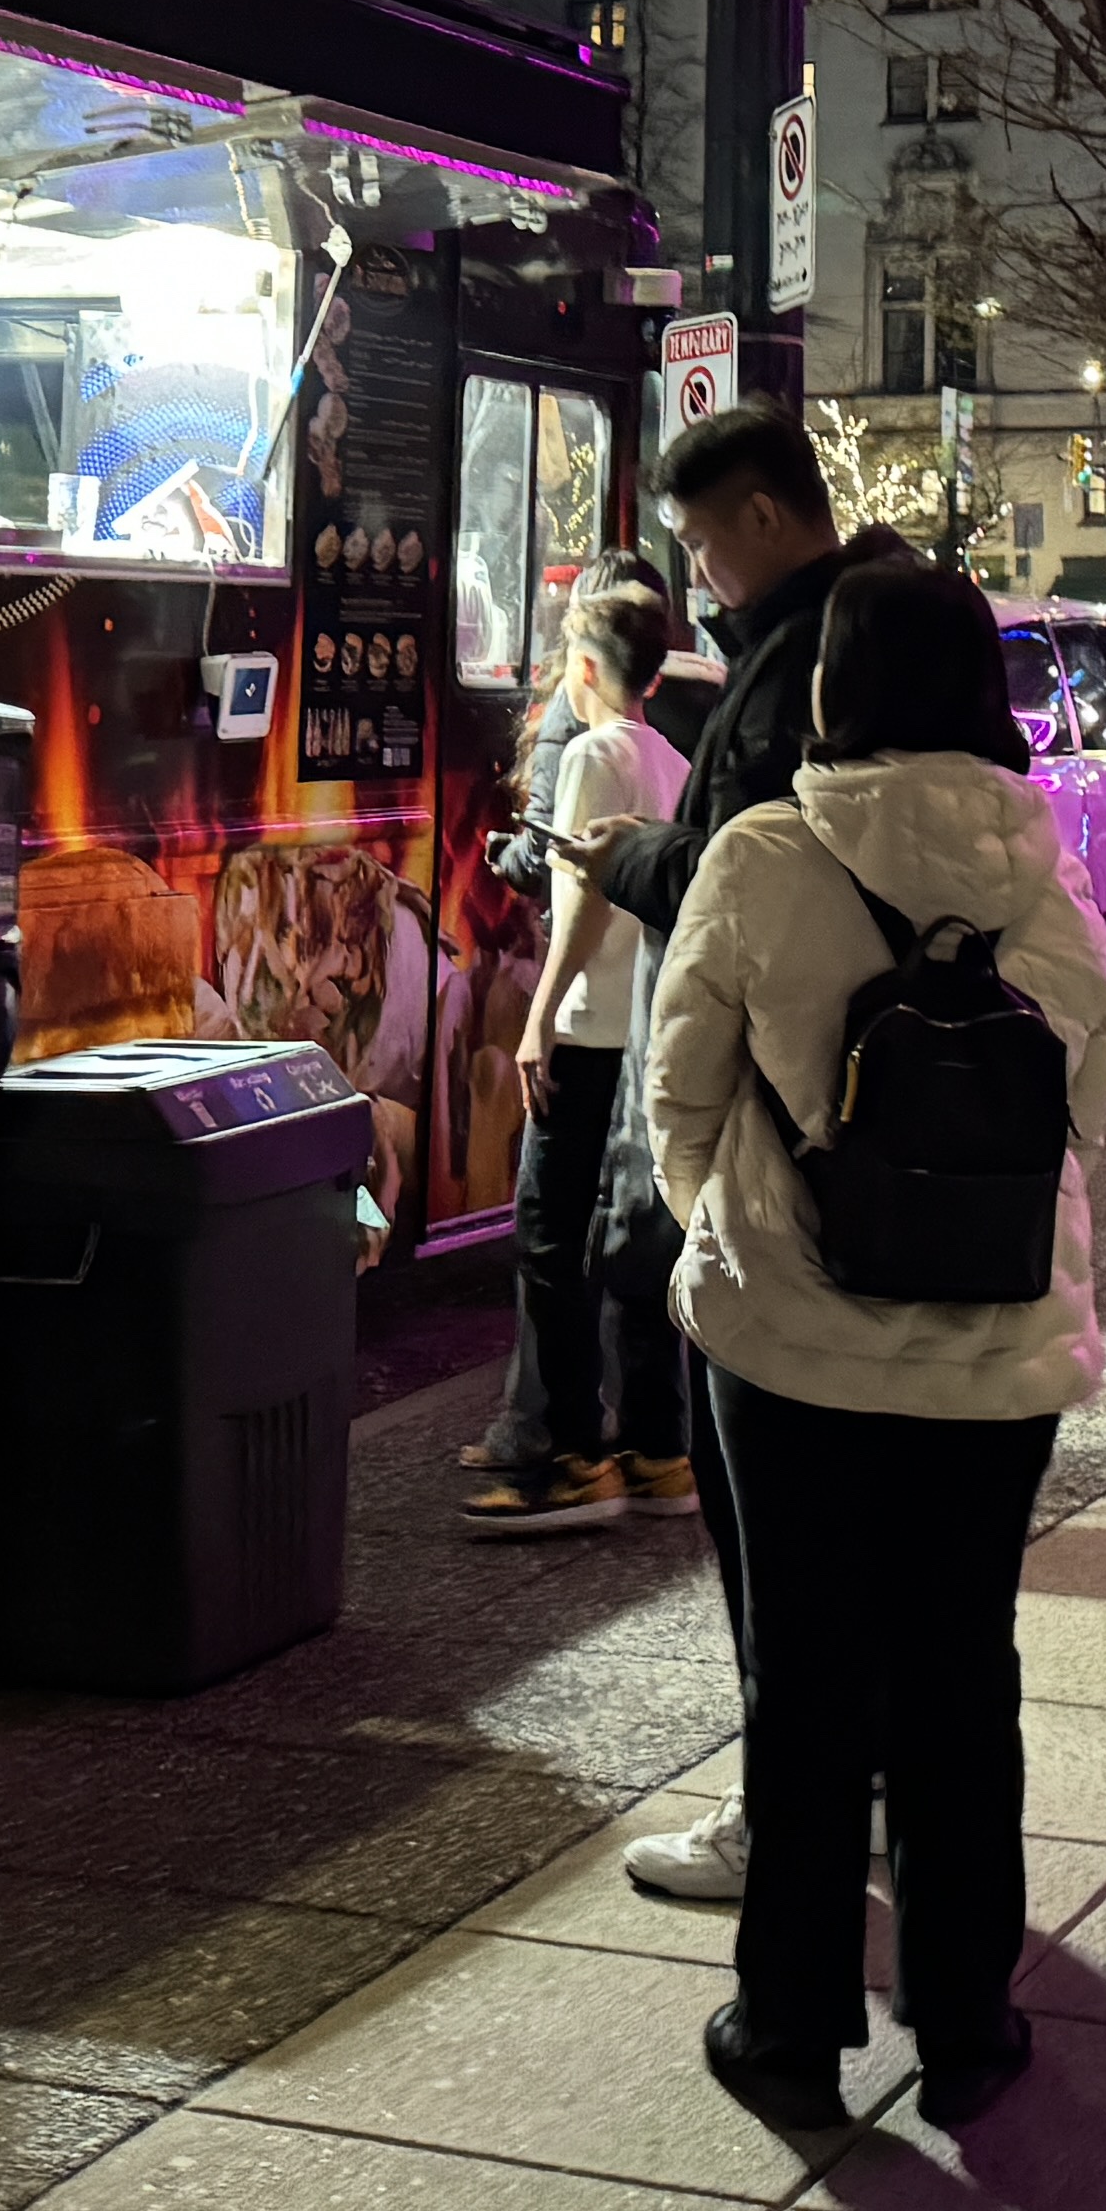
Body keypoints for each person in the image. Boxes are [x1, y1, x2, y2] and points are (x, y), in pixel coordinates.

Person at [652, 554, 1106, 2139]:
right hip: (999, 1349)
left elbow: (680, 1094)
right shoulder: (1040, 877)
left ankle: (787, 2024)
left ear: (833, 689)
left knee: (807, 1680)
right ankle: (969, 2019)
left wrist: (724, 1227)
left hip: (786, 1344)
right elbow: (1086, 1112)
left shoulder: (762, 852)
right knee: (961, 1667)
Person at [590, 400, 915, 1905]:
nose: (697, 568)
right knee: (906, 1571)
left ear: (771, 516)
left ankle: (795, 1834)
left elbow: (732, 902)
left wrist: (622, 858)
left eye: (707, 536)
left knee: (777, 1535)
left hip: (781, 1168)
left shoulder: (798, 666)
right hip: (923, 1197)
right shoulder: (911, 667)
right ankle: (883, 1818)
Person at [465, 587, 694, 1534]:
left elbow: (584, 896)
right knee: (635, 1239)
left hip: (588, 1029)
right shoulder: (676, 762)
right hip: (640, 1035)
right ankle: (656, 1451)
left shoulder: (595, 755)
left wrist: (539, 1017)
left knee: (550, 1241)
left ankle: (571, 1458)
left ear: (588, 669)